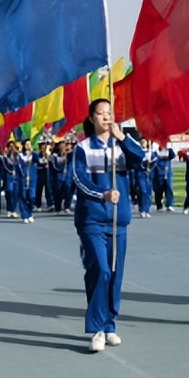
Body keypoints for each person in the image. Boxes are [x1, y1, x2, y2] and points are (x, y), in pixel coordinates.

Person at [72, 98, 145, 353]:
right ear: (92, 118)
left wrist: (122, 138)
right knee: (101, 271)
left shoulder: (121, 145)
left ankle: (109, 324)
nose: (106, 117)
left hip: (118, 220)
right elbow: (79, 180)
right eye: (101, 114)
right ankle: (97, 329)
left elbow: (140, 160)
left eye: (109, 113)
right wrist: (101, 195)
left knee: (115, 275)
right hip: (91, 220)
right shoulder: (82, 148)